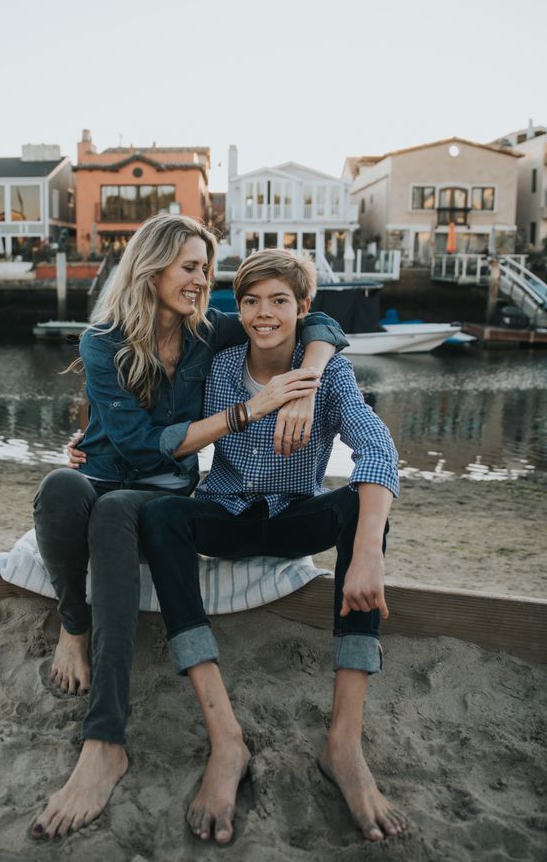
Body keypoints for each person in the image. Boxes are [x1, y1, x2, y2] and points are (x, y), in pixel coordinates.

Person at [29, 214, 348, 840]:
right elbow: (140, 446)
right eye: (191, 267)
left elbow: (311, 320)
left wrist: (305, 386)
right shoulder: (103, 342)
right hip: (102, 475)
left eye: (206, 268)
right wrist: (246, 411)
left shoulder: (211, 333)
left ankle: (105, 743)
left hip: (161, 494)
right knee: (59, 488)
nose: (204, 280)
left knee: (123, 511)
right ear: (152, 268)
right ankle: (74, 623)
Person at [140, 249, 408, 845]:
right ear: (239, 307)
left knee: (359, 506)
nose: (264, 314)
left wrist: (367, 550)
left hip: (293, 518)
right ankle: (225, 738)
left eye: (280, 301)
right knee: (160, 517)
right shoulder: (219, 363)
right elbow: (167, 433)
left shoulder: (329, 371)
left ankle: (343, 743)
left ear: (303, 309)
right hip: (227, 510)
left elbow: (379, 450)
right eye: (252, 300)